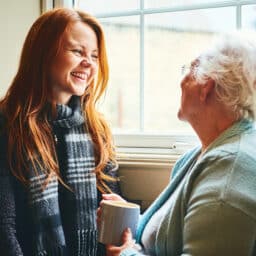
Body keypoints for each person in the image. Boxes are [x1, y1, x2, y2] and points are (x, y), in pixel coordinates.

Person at [100, 31, 256, 256]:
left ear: (206, 87)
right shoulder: (199, 155)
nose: (182, 82)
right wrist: (130, 218)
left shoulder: (231, 167)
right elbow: (170, 234)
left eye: (189, 70)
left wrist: (126, 254)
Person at [0, 7, 121, 256]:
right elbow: (4, 229)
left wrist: (120, 237)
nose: (88, 63)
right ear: (43, 54)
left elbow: (113, 210)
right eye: (77, 51)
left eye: (95, 56)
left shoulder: (97, 130)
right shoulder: (7, 124)